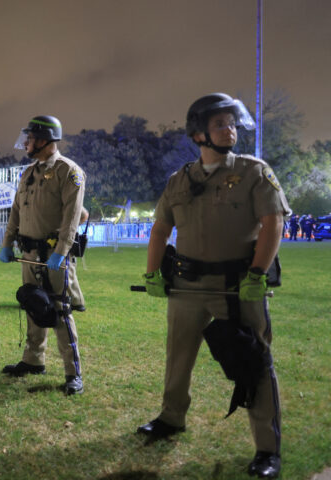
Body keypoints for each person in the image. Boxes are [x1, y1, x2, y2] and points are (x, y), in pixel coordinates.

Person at [138, 93, 289, 478]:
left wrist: (257, 273)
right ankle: (171, 418)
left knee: (254, 360)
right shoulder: (179, 181)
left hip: (237, 287)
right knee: (178, 356)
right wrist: (152, 273)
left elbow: (273, 223)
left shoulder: (253, 172)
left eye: (232, 123)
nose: (229, 130)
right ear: (198, 134)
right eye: (220, 124)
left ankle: (267, 449)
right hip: (187, 286)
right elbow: (160, 230)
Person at [0, 115, 87, 396]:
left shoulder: (68, 171)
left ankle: (73, 372)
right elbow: (16, 210)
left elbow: (72, 218)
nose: (26, 143)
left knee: (60, 310)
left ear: (46, 140)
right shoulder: (28, 173)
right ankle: (33, 360)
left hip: (53, 255)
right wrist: (7, 242)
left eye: (31, 138)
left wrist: (61, 252)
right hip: (29, 253)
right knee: (34, 304)